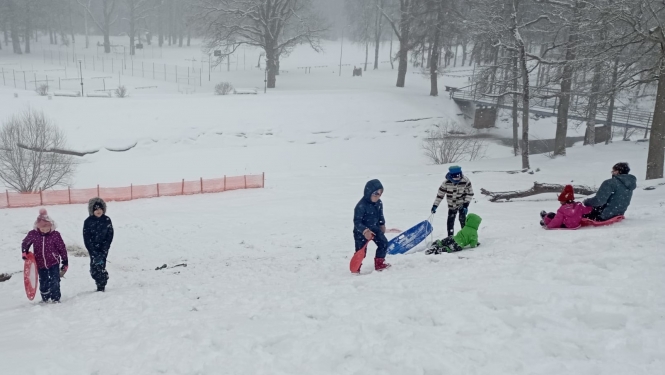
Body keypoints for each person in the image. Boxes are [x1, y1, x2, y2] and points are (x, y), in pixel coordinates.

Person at [21, 209, 68, 303]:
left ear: (51, 225)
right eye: (42, 228)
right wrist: (24, 251)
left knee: (55, 280)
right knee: (43, 281)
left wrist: (65, 260)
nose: (45, 229)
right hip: (40, 263)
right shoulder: (33, 234)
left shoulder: (55, 235)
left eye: (47, 227)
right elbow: (25, 243)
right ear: (38, 226)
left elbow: (61, 248)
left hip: (53, 262)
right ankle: (45, 297)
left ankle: (55, 298)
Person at [353, 179, 391, 271]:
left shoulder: (379, 203)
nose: (378, 196)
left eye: (380, 194)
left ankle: (379, 263)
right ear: (368, 193)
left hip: (374, 228)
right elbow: (357, 221)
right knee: (361, 251)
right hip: (361, 232)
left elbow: (380, 215)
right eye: (376, 194)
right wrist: (365, 231)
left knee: (383, 243)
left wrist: (382, 225)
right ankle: (356, 266)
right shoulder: (361, 206)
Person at [431, 165, 474, 236]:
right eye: (455, 176)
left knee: (462, 219)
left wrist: (466, 205)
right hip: (451, 205)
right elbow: (440, 195)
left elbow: (470, 193)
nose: (457, 178)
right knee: (450, 221)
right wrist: (435, 205)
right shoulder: (446, 183)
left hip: (462, 204)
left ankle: (465, 236)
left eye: (458, 176)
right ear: (451, 175)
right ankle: (450, 236)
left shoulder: (466, 181)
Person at [83, 197, 114, 292]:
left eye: (100, 209)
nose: (98, 211)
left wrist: (105, 247)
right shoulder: (88, 221)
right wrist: (92, 250)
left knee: (100, 265)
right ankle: (101, 278)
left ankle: (101, 285)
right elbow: (86, 237)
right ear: (92, 210)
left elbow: (110, 234)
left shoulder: (107, 220)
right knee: (94, 268)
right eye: (96, 209)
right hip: (93, 249)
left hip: (103, 248)